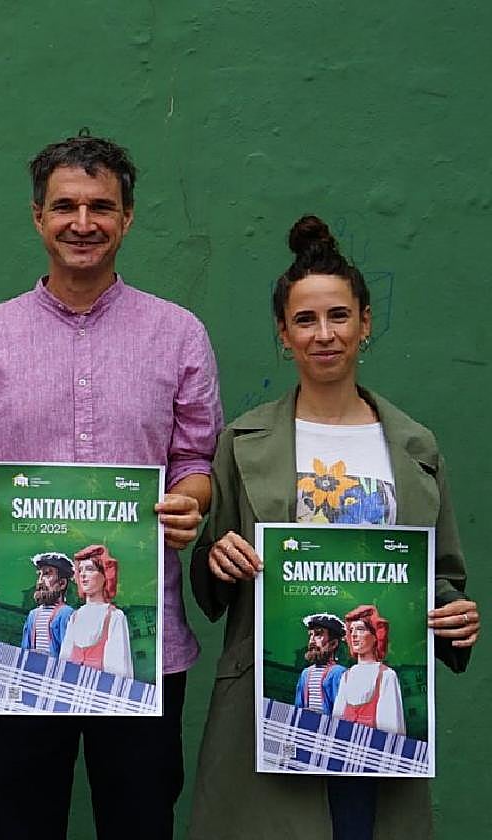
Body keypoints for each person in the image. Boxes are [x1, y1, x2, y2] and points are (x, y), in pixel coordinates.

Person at [0, 133, 222, 840]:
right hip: (15, 644)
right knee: (24, 824)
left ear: (128, 218)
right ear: (37, 217)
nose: (82, 223)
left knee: (140, 823)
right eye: (65, 206)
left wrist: (192, 503)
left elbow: (197, 460)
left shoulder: (179, 335)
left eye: (100, 207)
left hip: (144, 649)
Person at [187, 215, 480, 840]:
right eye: (305, 320)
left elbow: (442, 578)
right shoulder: (241, 442)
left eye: (339, 316)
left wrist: (454, 617)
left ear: (365, 323)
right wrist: (218, 558)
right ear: (283, 334)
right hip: (275, 704)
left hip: (380, 707)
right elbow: (211, 571)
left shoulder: (415, 445)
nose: (324, 335)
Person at [59, 544, 132, 678]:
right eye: (80, 570)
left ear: (105, 576)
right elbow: (64, 662)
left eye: (90, 569)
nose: (83, 575)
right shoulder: (75, 617)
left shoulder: (114, 616)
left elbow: (119, 670)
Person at [331, 605, 404, 734]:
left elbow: (392, 730)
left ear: (376, 636)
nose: (354, 635)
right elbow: (336, 723)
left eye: (360, 629)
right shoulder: (346, 676)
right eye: (351, 630)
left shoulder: (386, 676)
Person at [19, 552, 75, 657]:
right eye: (40, 574)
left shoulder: (67, 614)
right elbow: (25, 648)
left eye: (47, 574)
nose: (40, 581)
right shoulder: (33, 615)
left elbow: (68, 653)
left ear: (62, 583)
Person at [293, 613, 346, 715]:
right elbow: (298, 707)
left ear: (333, 643)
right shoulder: (305, 673)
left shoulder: (339, 673)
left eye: (318, 634)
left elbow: (340, 711)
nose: (311, 641)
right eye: (311, 635)